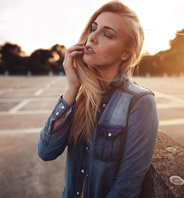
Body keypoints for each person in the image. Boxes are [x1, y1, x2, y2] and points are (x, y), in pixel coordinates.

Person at [38, 1, 159, 197]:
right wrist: (72, 88)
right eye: (93, 29)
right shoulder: (81, 95)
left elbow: (126, 188)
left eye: (107, 34)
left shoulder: (140, 101)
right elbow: (46, 152)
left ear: (126, 53)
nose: (92, 38)